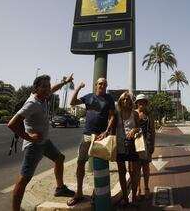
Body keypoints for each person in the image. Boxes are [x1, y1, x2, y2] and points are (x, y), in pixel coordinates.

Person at [8, 74, 75, 211]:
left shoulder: (42, 97)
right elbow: (12, 124)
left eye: (48, 86)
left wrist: (65, 82)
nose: (47, 89)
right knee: (23, 180)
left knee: (59, 158)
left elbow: (53, 89)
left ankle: (60, 188)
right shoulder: (32, 103)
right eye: (43, 86)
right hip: (34, 146)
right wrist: (30, 138)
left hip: (45, 142)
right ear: (36, 88)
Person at [67, 77, 116, 206]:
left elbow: (112, 117)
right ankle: (79, 193)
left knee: (100, 166)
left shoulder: (109, 99)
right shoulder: (88, 97)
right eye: (100, 83)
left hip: (100, 137)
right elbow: (72, 102)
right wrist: (78, 87)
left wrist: (106, 131)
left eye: (104, 84)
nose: (102, 85)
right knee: (80, 163)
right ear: (96, 85)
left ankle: (97, 194)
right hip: (87, 135)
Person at [116, 91, 141, 207]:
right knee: (121, 172)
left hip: (132, 146)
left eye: (128, 99)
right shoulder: (117, 113)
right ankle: (125, 198)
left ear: (131, 102)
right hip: (119, 146)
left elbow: (139, 128)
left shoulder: (134, 114)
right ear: (120, 101)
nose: (126, 101)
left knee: (133, 172)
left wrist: (134, 130)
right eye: (124, 99)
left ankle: (134, 197)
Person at [135, 94, 155, 200]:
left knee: (146, 167)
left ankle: (146, 188)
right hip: (136, 144)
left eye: (143, 101)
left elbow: (152, 131)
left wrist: (152, 144)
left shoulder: (149, 115)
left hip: (146, 143)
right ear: (137, 103)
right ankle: (138, 189)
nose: (141, 103)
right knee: (137, 167)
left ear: (146, 103)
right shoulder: (134, 114)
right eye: (139, 101)